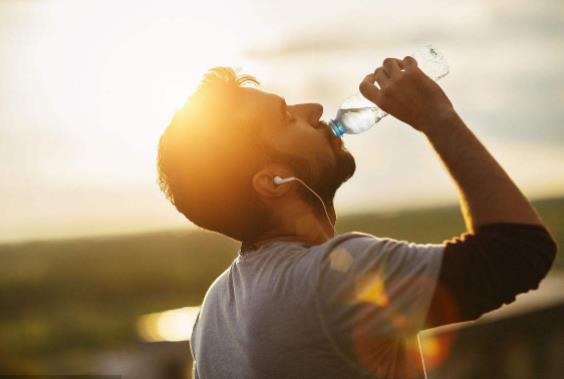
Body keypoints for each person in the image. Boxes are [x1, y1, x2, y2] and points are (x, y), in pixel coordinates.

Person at [156, 58, 557, 378]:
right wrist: (437, 118)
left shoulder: (212, 314)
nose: (312, 109)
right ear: (273, 182)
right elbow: (518, 252)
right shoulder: (330, 280)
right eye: (286, 118)